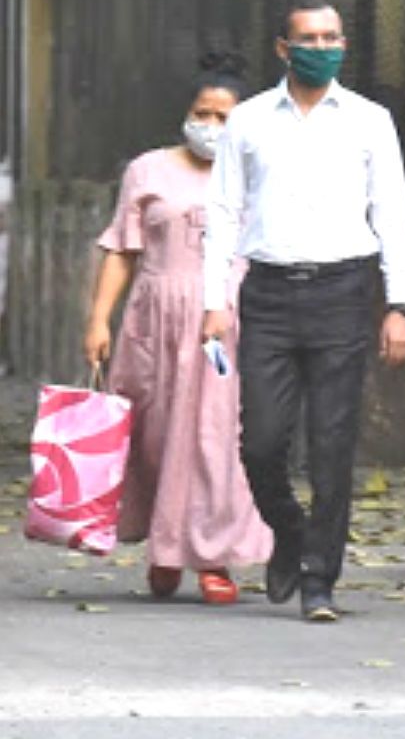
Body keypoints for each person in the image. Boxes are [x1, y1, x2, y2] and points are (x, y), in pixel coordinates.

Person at [202, 0, 405, 622]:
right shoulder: (247, 120)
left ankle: (320, 580)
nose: (322, 48)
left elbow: (393, 214)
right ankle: (291, 532)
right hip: (267, 294)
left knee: (331, 444)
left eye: (332, 38)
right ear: (283, 48)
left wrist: (400, 303)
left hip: (342, 293)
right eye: (310, 39)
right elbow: (222, 211)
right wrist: (214, 300)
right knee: (261, 443)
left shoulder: (370, 121)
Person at [83, 52, 272, 604]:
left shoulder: (256, 175)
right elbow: (122, 249)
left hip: (221, 325)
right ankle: (164, 549)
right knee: (155, 435)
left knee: (215, 438)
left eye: (223, 118)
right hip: (153, 320)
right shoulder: (147, 171)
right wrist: (98, 319)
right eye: (201, 113)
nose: (209, 126)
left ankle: (212, 557)